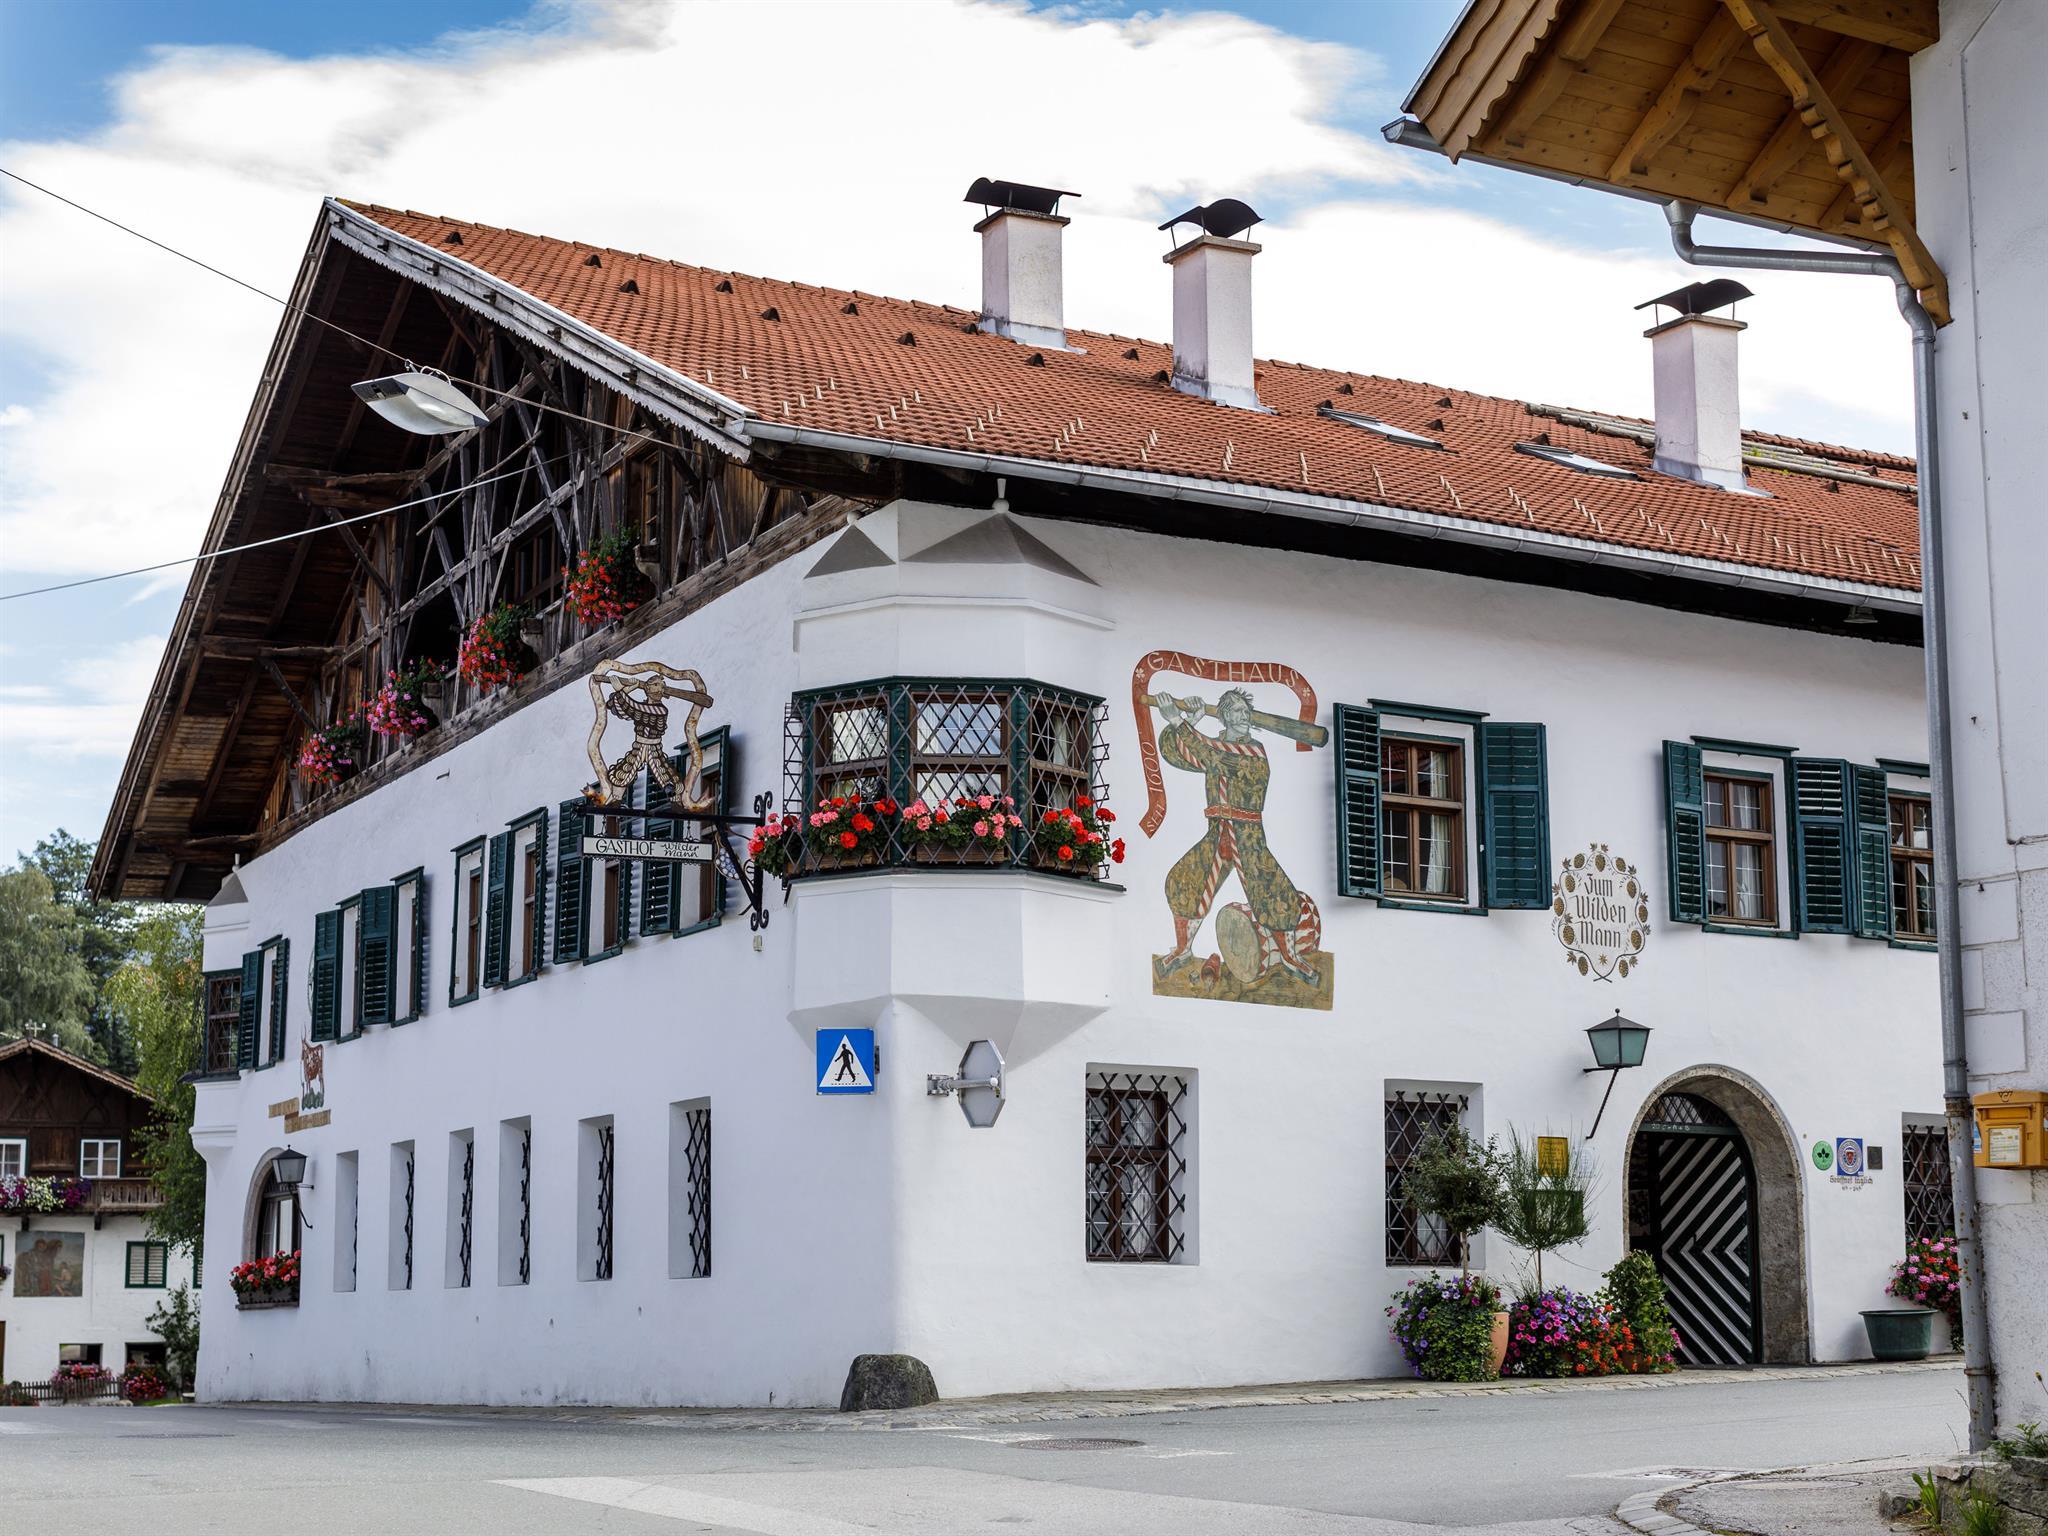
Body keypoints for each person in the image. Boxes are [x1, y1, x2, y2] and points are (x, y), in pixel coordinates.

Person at [1153, 688, 1322, 988]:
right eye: (1237, 711)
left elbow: (1216, 757)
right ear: (1225, 715)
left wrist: (1181, 723)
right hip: (1218, 831)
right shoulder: (1213, 746)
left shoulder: (1253, 751)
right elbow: (1177, 755)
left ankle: (1289, 955)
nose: (1244, 716)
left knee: (1275, 893)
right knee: (1184, 881)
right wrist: (1184, 722)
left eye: (1246, 711)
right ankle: (1182, 950)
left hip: (1248, 835)